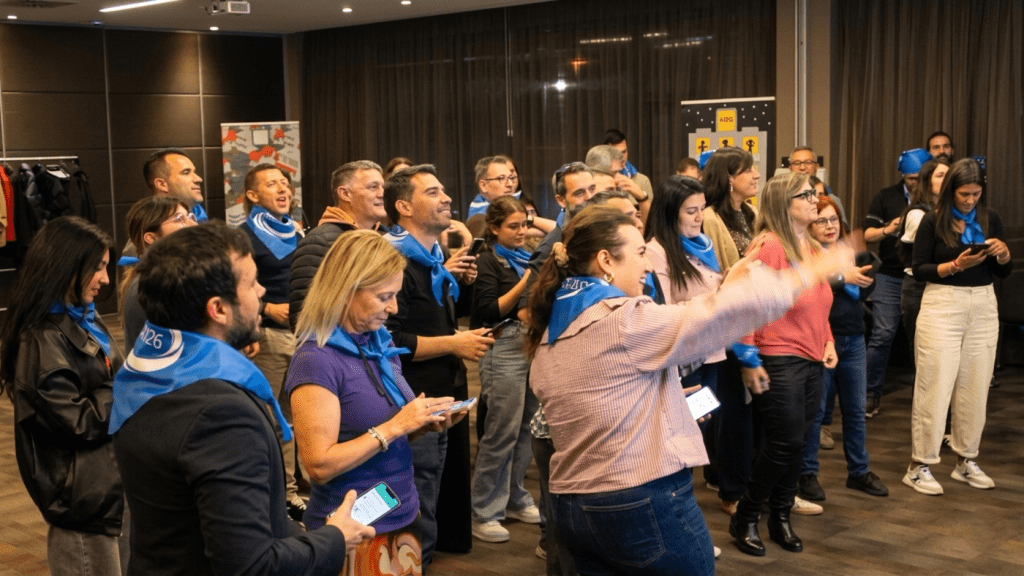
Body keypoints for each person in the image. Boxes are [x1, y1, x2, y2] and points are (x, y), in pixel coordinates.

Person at [526, 205, 851, 575]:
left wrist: (662, 404)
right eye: (639, 252)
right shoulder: (623, 321)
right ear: (605, 261)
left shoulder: (551, 333)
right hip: (638, 499)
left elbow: (598, 401)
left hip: (573, 505)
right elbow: (713, 317)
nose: (647, 264)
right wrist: (809, 272)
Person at [110, 222, 374, 575]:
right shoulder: (219, 414)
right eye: (251, 283)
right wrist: (335, 538)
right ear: (218, 309)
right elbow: (250, 564)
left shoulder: (146, 374)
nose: (262, 291)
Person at [287, 230, 468, 574]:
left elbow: (381, 436)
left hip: (402, 513)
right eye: (385, 296)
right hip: (353, 531)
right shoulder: (316, 359)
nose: (394, 308)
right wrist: (397, 425)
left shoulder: (377, 344)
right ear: (346, 292)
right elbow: (319, 466)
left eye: (396, 295)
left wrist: (421, 425)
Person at [0, 216, 126, 576]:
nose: (105, 279)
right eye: (97, 267)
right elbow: (78, 423)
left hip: (105, 490)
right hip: (82, 503)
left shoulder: (84, 318)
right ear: (67, 267)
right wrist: (126, 386)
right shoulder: (41, 339)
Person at [383, 164, 493, 564]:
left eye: (443, 190)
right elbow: (390, 340)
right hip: (411, 397)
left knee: (434, 490)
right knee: (417, 493)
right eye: (432, 192)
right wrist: (455, 342)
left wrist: (462, 285)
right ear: (403, 207)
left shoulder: (433, 258)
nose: (446, 198)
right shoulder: (391, 260)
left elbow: (436, 317)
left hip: (443, 389)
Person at [730, 172, 837, 557]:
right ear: (783, 204)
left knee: (798, 442)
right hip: (777, 355)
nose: (814, 200)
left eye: (813, 193)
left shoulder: (809, 244)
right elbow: (744, 303)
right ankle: (746, 515)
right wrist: (747, 359)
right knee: (785, 440)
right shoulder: (770, 245)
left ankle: (780, 516)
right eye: (805, 195)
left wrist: (828, 338)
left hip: (811, 357)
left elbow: (819, 300)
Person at [903, 158, 1012, 495]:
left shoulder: (989, 218)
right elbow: (919, 268)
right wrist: (955, 265)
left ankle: (966, 459)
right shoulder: (933, 219)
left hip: (983, 304)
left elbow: (1003, 272)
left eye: (976, 194)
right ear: (952, 190)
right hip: (942, 303)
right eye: (964, 194)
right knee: (934, 386)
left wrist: (1003, 255)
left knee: (975, 386)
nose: (970, 200)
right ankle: (919, 466)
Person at [800, 196, 889, 502]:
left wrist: (863, 278)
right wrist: (841, 277)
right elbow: (809, 284)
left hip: (854, 336)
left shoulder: (847, 251)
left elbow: (862, 293)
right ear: (809, 226)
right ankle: (807, 474)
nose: (830, 226)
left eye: (834, 220)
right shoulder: (807, 253)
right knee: (816, 412)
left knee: (855, 410)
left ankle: (859, 471)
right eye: (821, 221)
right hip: (822, 339)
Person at [643, 175, 727, 497]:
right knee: (682, 435)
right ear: (669, 212)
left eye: (702, 209)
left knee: (702, 427)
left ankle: (684, 499)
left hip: (711, 352)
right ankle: (676, 502)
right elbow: (662, 311)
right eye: (691, 211)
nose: (699, 217)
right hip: (684, 359)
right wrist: (714, 301)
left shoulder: (702, 244)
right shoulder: (656, 252)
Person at [468, 196, 540, 543]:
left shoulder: (527, 256)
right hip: (503, 345)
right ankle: (484, 509)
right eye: (513, 226)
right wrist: (526, 281)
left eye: (525, 224)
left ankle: (514, 496)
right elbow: (488, 311)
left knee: (527, 427)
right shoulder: (487, 260)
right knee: (501, 431)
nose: (522, 231)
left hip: (530, 342)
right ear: (494, 228)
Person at [862, 147, 932, 417]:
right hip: (890, 274)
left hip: (923, 276)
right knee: (882, 334)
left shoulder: (936, 200)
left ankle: (925, 399)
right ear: (902, 175)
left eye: (919, 178)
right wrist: (889, 229)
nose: (915, 183)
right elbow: (867, 234)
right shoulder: (886, 196)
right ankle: (870, 394)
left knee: (925, 339)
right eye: (910, 178)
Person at [289, 160, 388, 330]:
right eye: (373, 187)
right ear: (345, 194)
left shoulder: (388, 239)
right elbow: (303, 317)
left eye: (383, 187)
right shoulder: (319, 242)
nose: (382, 194)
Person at [120, 196, 197, 349]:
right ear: (151, 238)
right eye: (179, 219)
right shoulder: (153, 287)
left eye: (190, 217)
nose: (193, 224)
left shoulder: (176, 277)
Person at [897, 158, 950, 354]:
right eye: (940, 175)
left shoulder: (953, 212)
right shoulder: (917, 214)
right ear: (927, 181)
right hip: (918, 287)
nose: (947, 179)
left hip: (944, 286)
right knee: (923, 352)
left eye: (949, 175)